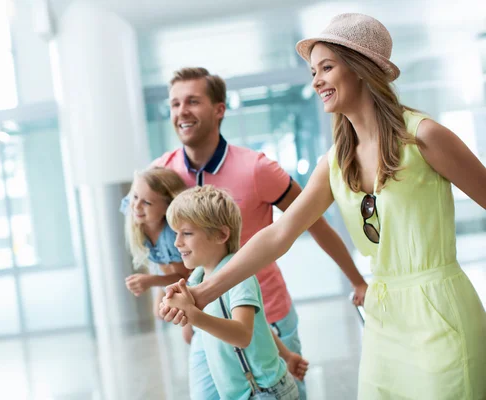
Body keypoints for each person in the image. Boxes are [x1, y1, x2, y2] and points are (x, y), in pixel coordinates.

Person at [162, 13, 486, 400]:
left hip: (441, 314)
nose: (315, 81)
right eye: (313, 71)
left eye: (326, 67)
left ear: (363, 69)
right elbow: (279, 235)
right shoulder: (335, 162)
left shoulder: (424, 137)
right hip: (385, 322)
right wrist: (203, 293)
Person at [147, 66, 367, 400]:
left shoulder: (257, 168)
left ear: (219, 109)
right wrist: (185, 310)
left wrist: (356, 279)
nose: (181, 112)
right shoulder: (161, 174)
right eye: (175, 104)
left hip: (268, 316)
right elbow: (157, 243)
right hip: (205, 320)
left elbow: (314, 222)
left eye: (192, 101)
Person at [165, 185, 307, 399]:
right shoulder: (198, 277)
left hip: (264, 392)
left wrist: (195, 316)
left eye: (186, 233)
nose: (177, 242)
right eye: (176, 233)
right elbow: (260, 325)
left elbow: (243, 334)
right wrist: (287, 355)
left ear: (221, 234)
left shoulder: (239, 276)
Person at [124, 167, 191, 317]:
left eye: (147, 203)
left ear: (167, 208)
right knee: (158, 314)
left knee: (186, 330)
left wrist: (151, 281)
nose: (136, 206)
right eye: (135, 197)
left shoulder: (172, 237)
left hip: (188, 283)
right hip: (164, 271)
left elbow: (184, 277)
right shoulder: (134, 212)